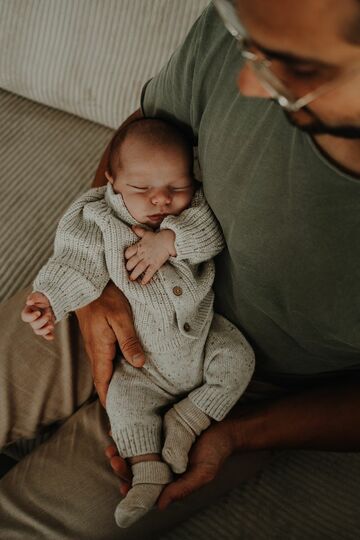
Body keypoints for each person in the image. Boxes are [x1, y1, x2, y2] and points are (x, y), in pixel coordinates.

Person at [1, 0, 360, 537]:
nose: (249, 85)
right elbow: (144, 141)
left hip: (244, 387)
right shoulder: (263, 12)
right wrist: (86, 282)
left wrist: (237, 433)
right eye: (248, 45)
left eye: (300, 70)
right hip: (114, 290)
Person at [22, 117, 254, 528]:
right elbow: (76, 262)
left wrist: (170, 241)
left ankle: (188, 418)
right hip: (141, 365)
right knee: (123, 403)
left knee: (239, 359)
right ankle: (146, 471)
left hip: (202, 337)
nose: (161, 201)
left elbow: (211, 232)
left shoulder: (191, 210)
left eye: (176, 187)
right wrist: (49, 300)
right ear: (112, 179)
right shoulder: (97, 218)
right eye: (141, 189)